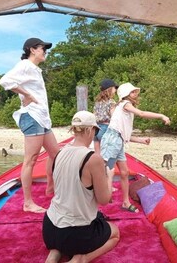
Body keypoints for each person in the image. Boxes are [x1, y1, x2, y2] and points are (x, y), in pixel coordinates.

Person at [42, 111, 119, 263]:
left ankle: (54, 255)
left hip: (50, 229)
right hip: (76, 234)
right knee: (115, 233)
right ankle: (81, 259)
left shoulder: (58, 153)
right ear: (90, 130)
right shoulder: (93, 159)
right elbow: (104, 200)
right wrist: (109, 176)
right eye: (95, 131)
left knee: (67, 229)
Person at [0, 37, 60, 213]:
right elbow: (5, 81)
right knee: (30, 160)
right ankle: (28, 203)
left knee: (56, 154)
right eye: (43, 48)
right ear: (32, 50)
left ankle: (51, 184)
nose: (45, 51)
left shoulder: (35, 69)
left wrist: (28, 95)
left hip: (42, 118)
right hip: (32, 117)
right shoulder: (25, 65)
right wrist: (26, 94)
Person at [100, 82, 170, 212]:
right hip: (112, 140)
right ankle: (99, 198)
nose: (135, 94)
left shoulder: (124, 108)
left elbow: (123, 134)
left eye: (135, 92)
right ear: (126, 95)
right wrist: (161, 116)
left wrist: (140, 140)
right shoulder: (125, 104)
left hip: (118, 141)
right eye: (132, 92)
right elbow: (142, 114)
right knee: (105, 169)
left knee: (125, 172)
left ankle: (125, 202)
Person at [93, 78, 118, 154]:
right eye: (114, 88)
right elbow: (114, 117)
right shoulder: (111, 102)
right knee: (106, 154)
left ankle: (97, 165)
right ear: (109, 89)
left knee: (97, 154)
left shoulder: (97, 102)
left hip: (96, 128)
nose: (116, 90)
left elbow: (94, 114)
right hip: (105, 128)